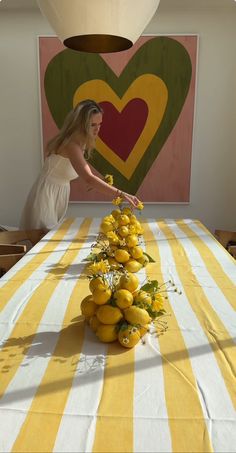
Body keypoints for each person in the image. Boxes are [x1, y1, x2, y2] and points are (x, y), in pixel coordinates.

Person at [20, 99, 141, 231]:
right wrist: (122, 194)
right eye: (92, 125)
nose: (97, 129)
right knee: (44, 244)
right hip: (45, 198)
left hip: (56, 196)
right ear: (80, 125)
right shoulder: (71, 145)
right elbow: (88, 178)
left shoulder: (80, 143)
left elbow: (69, 174)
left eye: (100, 124)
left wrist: (99, 182)